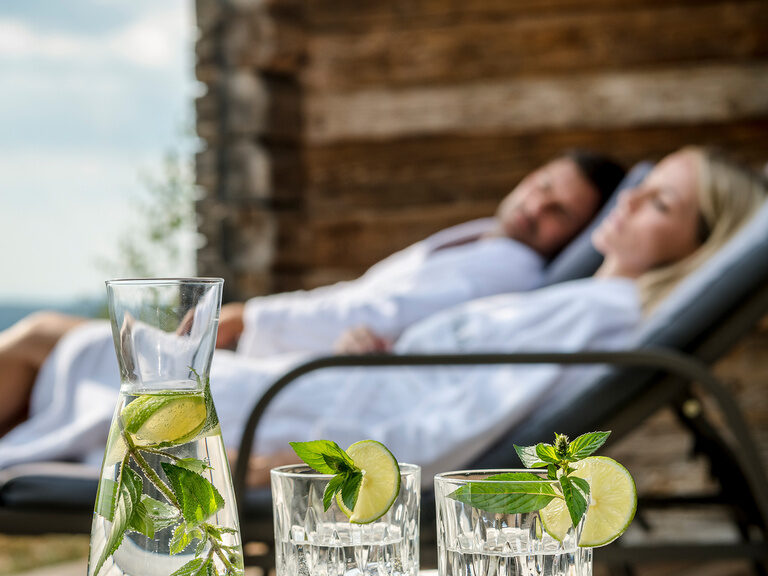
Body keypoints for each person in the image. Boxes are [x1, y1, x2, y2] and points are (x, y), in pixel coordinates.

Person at [0, 148, 764, 484]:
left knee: (60, 353)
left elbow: (465, 416)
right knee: (61, 354)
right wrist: (387, 349)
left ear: (701, 244)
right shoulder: (578, 300)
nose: (629, 199)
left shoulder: (605, 314)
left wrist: (329, 467)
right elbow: (456, 375)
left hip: (310, 415)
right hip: (327, 389)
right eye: (642, 183)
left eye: (660, 201)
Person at [218, 151, 626, 356]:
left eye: (560, 212)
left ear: (577, 236)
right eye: (543, 186)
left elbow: (386, 311)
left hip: (330, 369)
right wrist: (254, 314)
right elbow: (362, 292)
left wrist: (252, 319)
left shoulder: (512, 271)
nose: (536, 207)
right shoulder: (485, 235)